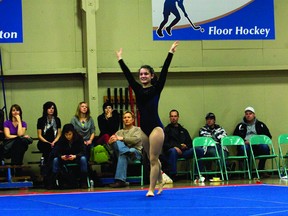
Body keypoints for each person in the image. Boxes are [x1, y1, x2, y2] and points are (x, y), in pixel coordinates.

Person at [116, 41, 179, 197]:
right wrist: (120, 60)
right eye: (141, 74)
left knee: (152, 158)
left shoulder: (157, 88)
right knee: (152, 158)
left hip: (156, 128)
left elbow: (164, 71)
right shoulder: (137, 89)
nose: (143, 76)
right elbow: (128, 76)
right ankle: (161, 181)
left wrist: (170, 52)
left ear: (151, 76)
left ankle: (151, 188)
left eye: (146, 74)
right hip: (143, 128)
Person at [163, 109, 203, 181]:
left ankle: (197, 174)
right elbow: (165, 144)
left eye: (175, 116)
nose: (173, 118)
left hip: (185, 151)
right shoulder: (166, 130)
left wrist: (186, 146)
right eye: (172, 116)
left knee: (199, 150)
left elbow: (190, 143)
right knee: (173, 151)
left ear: (178, 117)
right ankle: (173, 175)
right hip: (173, 152)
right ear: (170, 118)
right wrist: (175, 147)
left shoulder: (183, 130)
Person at [233, 107, 271, 177]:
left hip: (258, 145)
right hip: (246, 145)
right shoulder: (240, 126)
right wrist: (244, 141)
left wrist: (258, 141)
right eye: (246, 114)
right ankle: (248, 171)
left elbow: (268, 136)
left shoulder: (261, 125)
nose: (248, 115)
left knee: (265, 147)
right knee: (244, 148)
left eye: (250, 114)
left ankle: (261, 170)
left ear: (254, 115)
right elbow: (236, 138)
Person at [108, 111, 142, 188]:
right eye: (124, 117)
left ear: (133, 120)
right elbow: (112, 148)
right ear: (123, 120)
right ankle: (126, 152)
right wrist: (110, 143)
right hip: (127, 154)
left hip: (135, 153)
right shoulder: (119, 132)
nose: (126, 119)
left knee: (129, 151)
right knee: (120, 150)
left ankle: (120, 181)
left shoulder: (138, 130)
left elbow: (135, 140)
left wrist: (122, 138)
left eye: (128, 117)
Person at [49, 124, 88, 189]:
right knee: (55, 160)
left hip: (76, 158)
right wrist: (61, 156)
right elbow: (56, 151)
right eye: (66, 135)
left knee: (83, 159)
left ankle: (84, 181)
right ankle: (52, 182)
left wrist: (75, 156)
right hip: (64, 159)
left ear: (73, 133)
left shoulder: (79, 138)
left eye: (70, 134)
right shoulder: (61, 139)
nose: (68, 136)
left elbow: (83, 151)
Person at [37, 101, 61, 165]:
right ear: (45, 109)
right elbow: (39, 135)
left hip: (54, 141)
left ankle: (53, 168)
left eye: (53, 108)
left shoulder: (57, 120)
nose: (51, 110)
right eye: (49, 108)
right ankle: (46, 167)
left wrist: (54, 142)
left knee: (57, 147)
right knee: (47, 148)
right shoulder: (40, 120)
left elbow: (59, 134)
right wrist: (48, 142)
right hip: (43, 142)